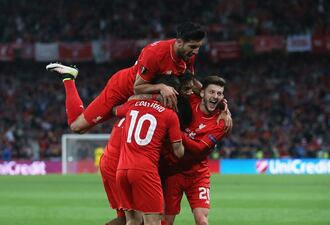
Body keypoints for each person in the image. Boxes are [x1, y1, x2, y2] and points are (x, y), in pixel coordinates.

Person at [45, 22, 206, 134]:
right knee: (77, 127)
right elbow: (138, 87)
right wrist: (161, 87)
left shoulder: (188, 54)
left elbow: (189, 81)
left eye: (198, 47)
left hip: (144, 97)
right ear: (179, 42)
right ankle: (68, 77)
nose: (196, 52)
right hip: (122, 90)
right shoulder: (155, 53)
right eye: (192, 47)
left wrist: (212, 97)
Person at [113, 76, 185, 225]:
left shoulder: (133, 105)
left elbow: (116, 110)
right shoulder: (170, 115)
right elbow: (179, 152)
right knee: (153, 221)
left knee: (132, 221)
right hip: (144, 171)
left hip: (121, 171)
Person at [161, 76, 229, 225]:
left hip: (197, 174)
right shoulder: (190, 100)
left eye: (219, 94)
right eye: (212, 92)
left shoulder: (222, 122)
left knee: (202, 221)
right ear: (202, 93)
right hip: (173, 172)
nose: (215, 96)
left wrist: (175, 130)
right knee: (166, 221)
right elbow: (183, 79)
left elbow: (199, 149)